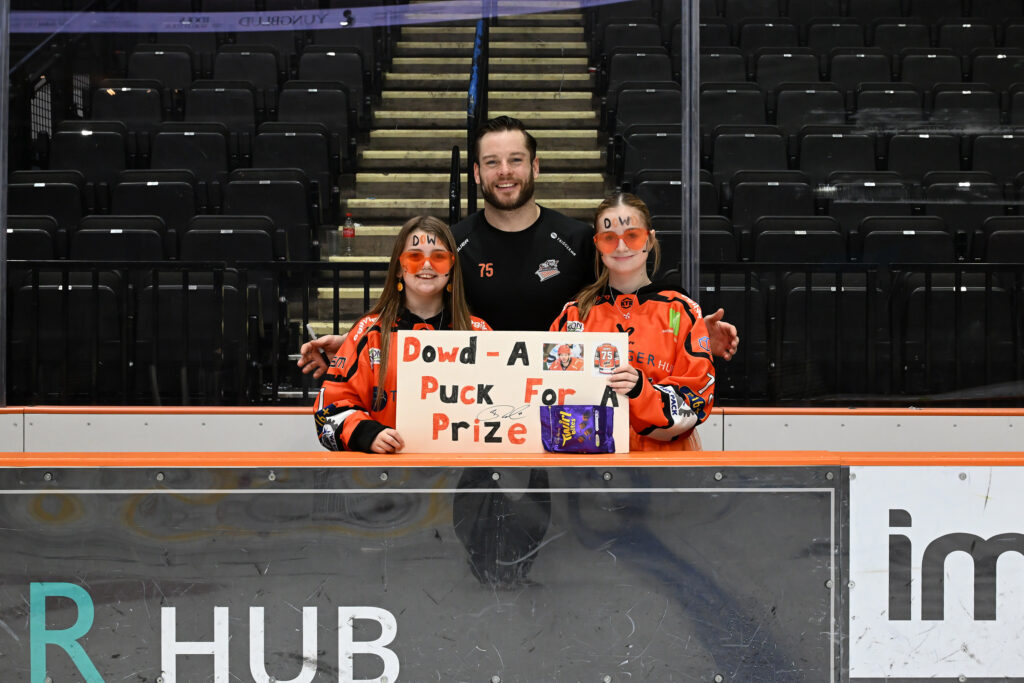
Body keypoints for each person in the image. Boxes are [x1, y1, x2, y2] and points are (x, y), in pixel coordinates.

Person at [298, 116, 738, 376]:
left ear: (535, 167)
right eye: (492, 162)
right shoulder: (454, 242)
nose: (504, 172)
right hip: (472, 402)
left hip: (562, 402)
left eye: (515, 160)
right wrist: (355, 347)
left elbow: (628, 308)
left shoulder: (576, 239)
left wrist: (691, 336)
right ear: (476, 173)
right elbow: (419, 310)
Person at [310, 216, 490, 453]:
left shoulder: (479, 333)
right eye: (415, 256)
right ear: (397, 268)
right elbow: (328, 413)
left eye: (438, 257)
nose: (427, 265)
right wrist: (368, 434)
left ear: (452, 267)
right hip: (387, 471)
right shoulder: (369, 334)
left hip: (462, 471)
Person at [550, 192, 715, 451]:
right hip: (591, 461)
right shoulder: (575, 314)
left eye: (632, 236)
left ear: (649, 239)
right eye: (609, 238)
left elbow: (696, 401)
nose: (621, 247)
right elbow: (549, 393)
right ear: (597, 245)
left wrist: (641, 391)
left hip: (666, 461)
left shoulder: (682, 311)